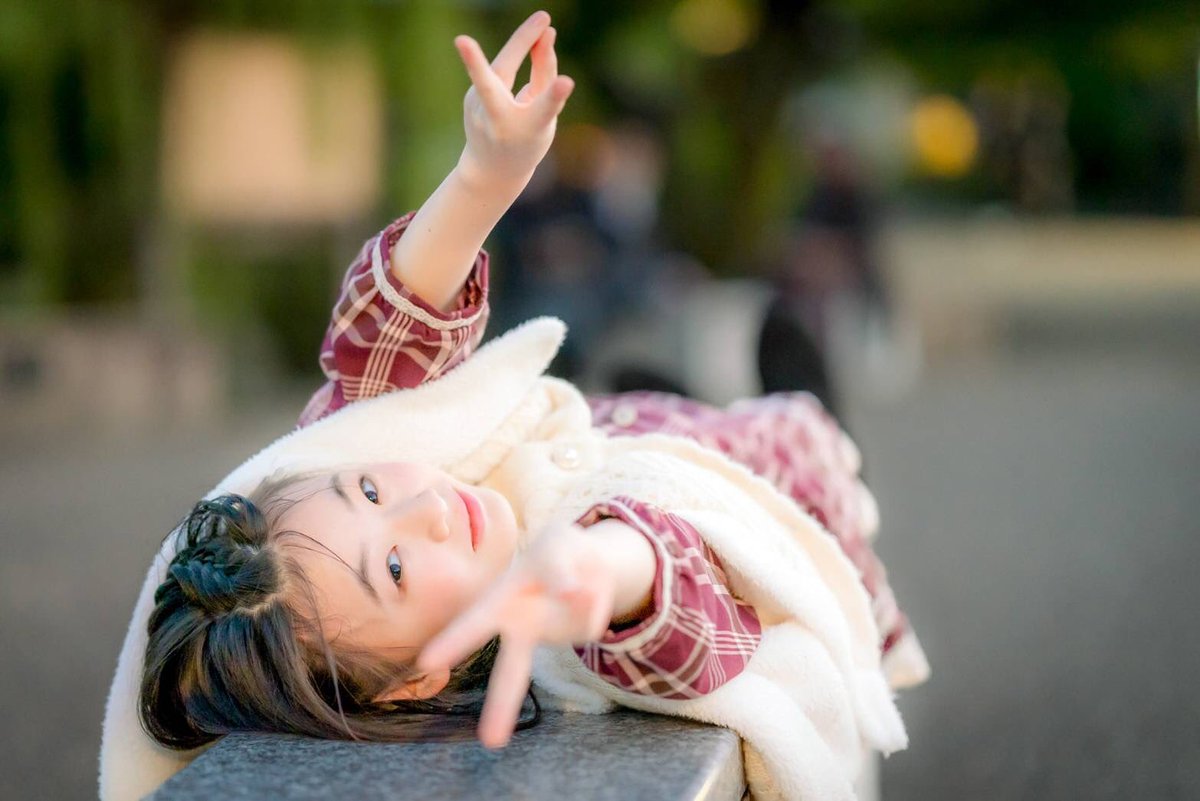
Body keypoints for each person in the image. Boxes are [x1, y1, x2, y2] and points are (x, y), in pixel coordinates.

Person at [101, 12, 927, 801]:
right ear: (415, 679)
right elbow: (687, 618)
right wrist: (606, 573)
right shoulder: (558, 654)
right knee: (806, 433)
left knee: (642, 396)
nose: (424, 508)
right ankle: (810, 407)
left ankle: (684, 399)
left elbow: (382, 348)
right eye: (394, 569)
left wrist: (483, 176)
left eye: (369, 489)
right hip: (787, 481)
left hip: (624, 428)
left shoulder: (376, 460)